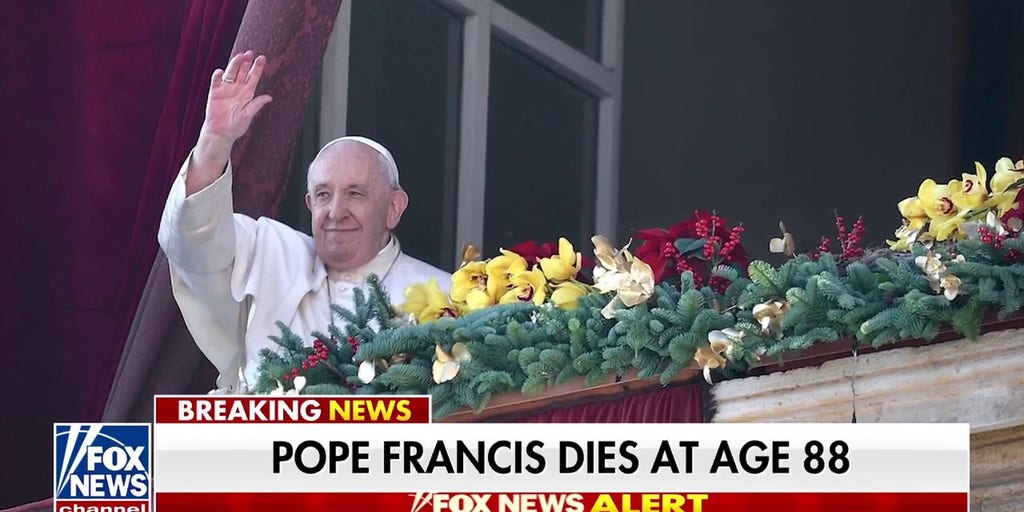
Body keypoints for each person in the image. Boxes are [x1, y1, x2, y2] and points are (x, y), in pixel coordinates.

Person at [158, 50, 452, 393]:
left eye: (355, 194)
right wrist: (214, 143)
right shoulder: (269, 253)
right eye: (324, 195)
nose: (336, 211)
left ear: (393, 208)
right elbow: (192, 241)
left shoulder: (445, 296)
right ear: (310, 204)